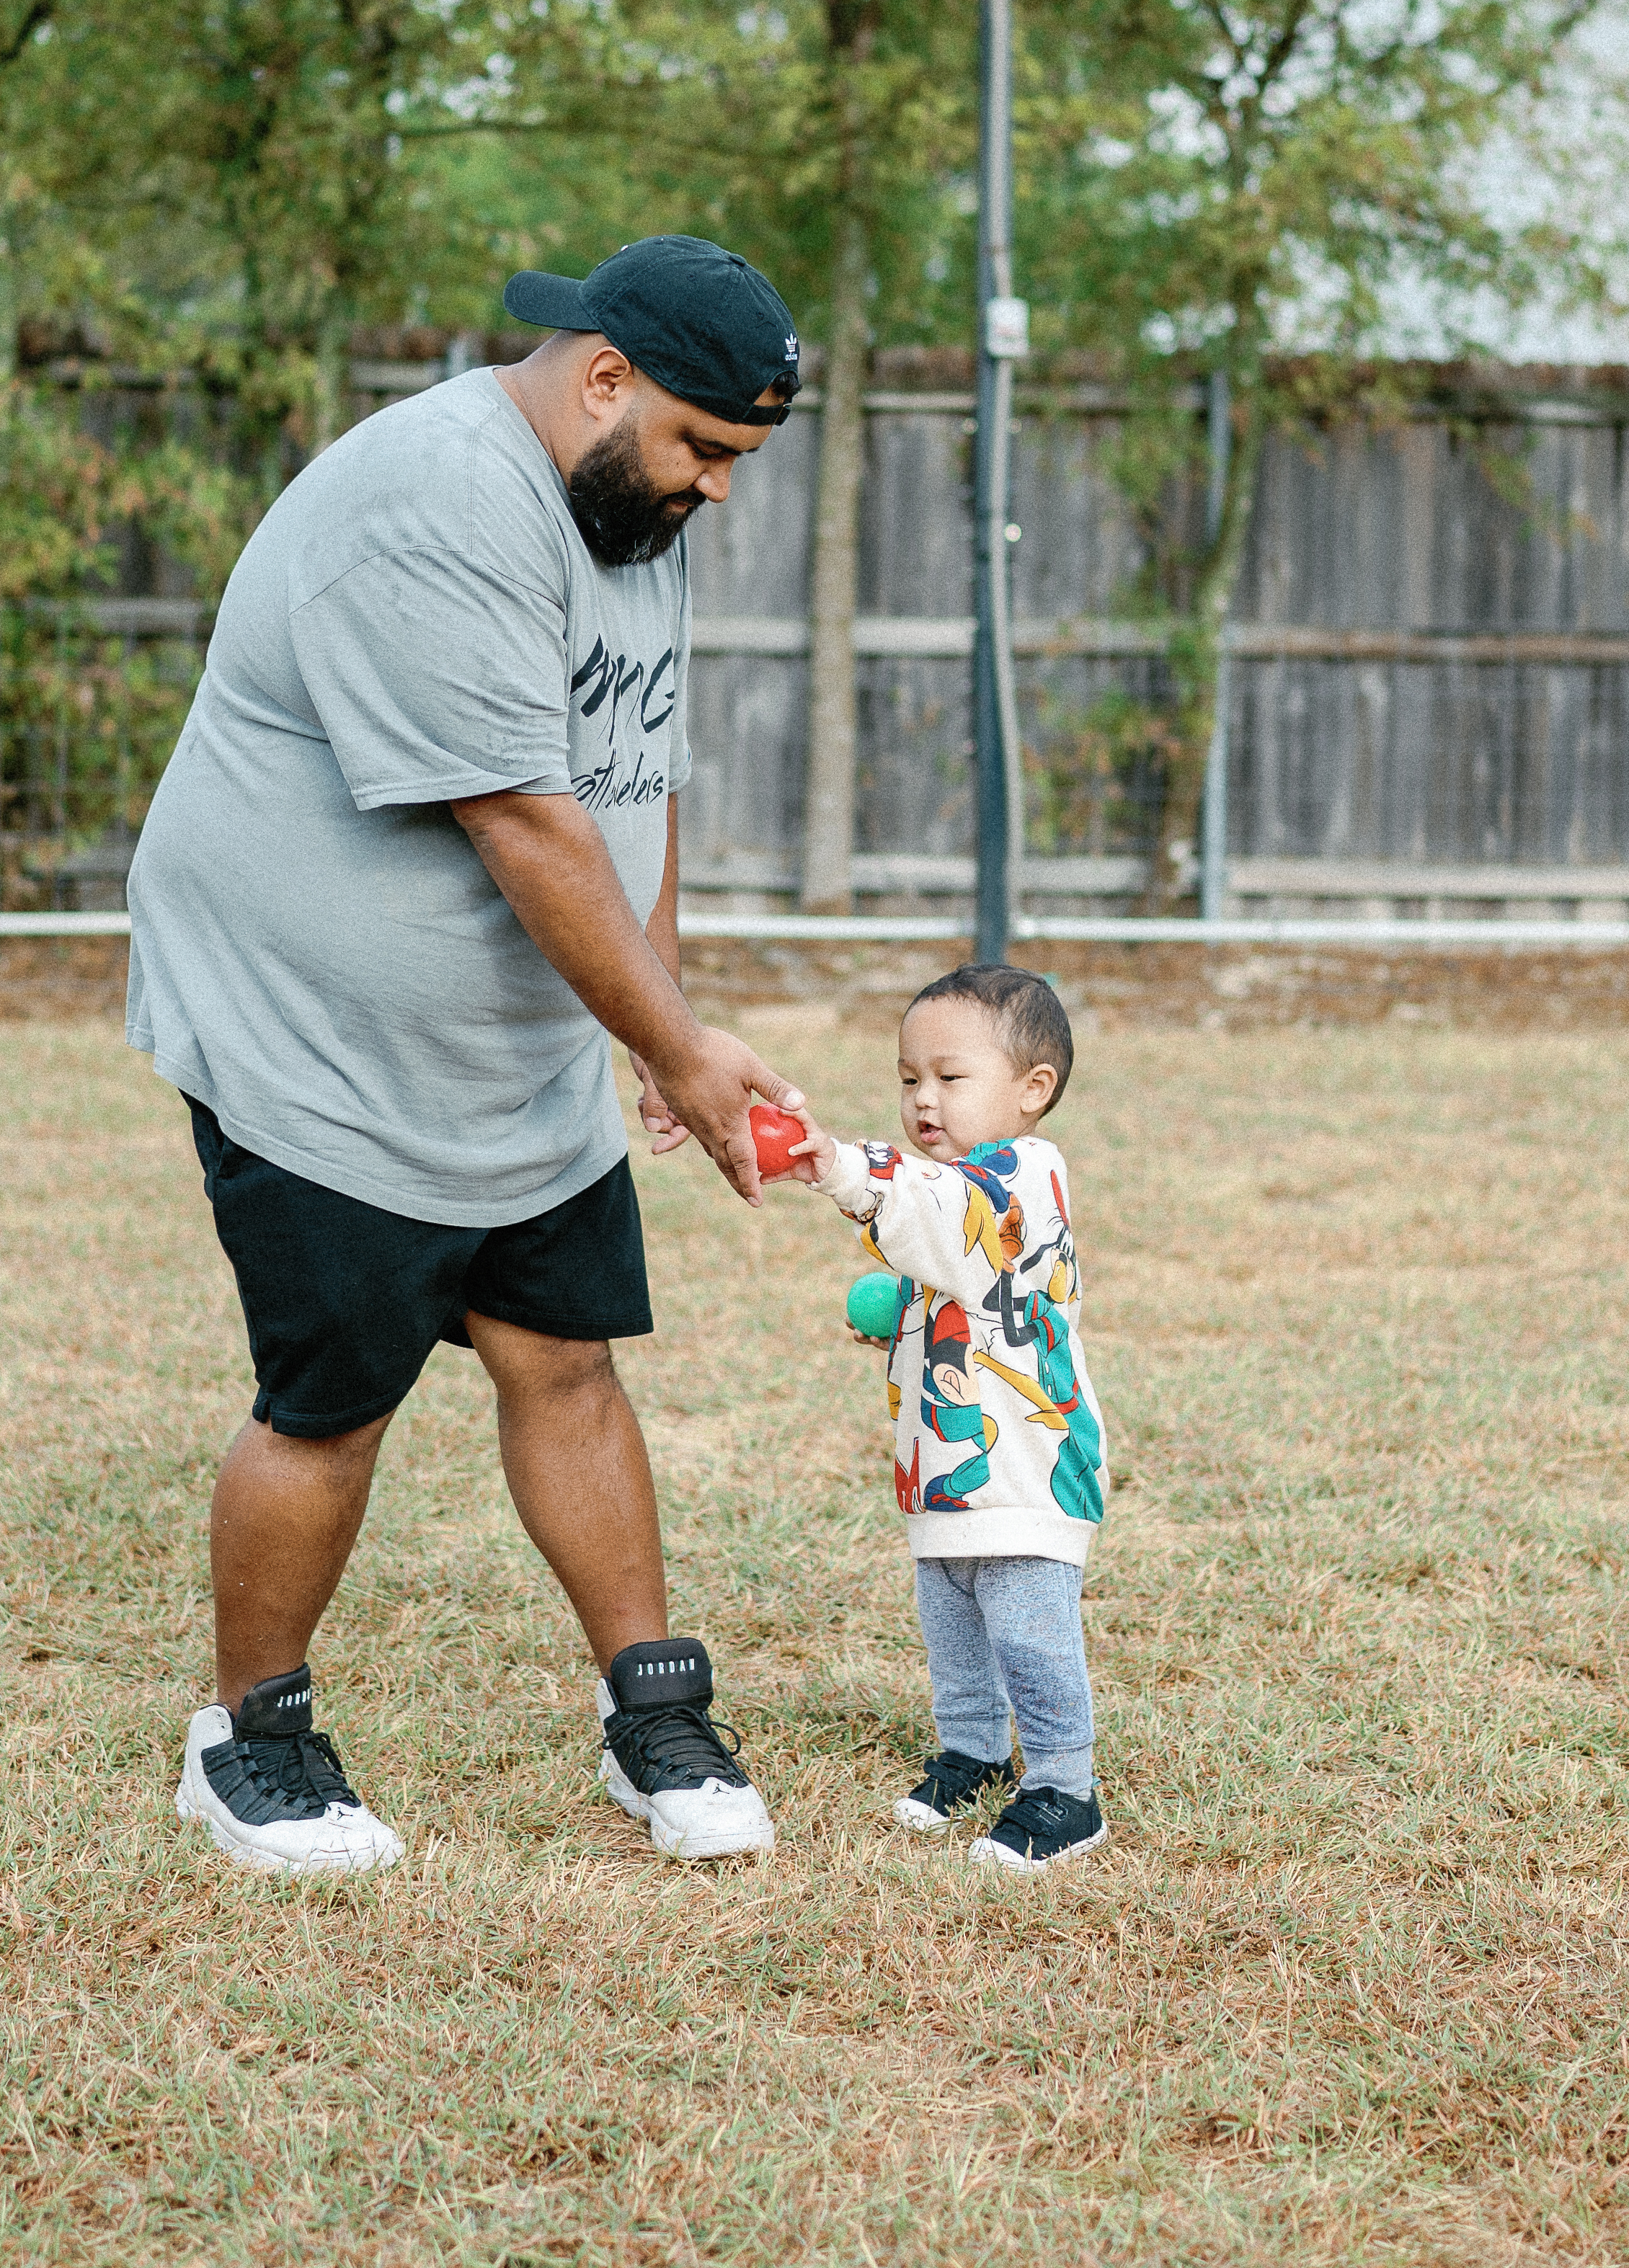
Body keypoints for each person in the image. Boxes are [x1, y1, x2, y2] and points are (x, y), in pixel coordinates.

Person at [125, 235, 809, 1875]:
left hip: (510, 1049)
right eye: (704, 446)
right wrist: (680, 1049)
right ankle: (249, 1739)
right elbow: (521, 820)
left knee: (566, 1361)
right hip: (322, 1047)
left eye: (738, 456)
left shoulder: (629, 509)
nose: (719, 487)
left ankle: (651, 1712)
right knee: (331, 1403)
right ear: (603, 378)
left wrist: (655, 1015)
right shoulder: (436, 503)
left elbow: (630, 773)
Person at [769, 964, 1111, 1869]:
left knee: (1030, 1636)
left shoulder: (1021, 1176)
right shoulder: (960, 1183)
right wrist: (898, 1318)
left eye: (950, 1077)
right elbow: (955, 1278)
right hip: (947, 1470)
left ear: (1034, 1088)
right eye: (909, 1077)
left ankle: (1066, 1789)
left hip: (1030, 1466)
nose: (924, 1098)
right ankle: (974, 1752)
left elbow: (942, 1212)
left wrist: (842, 1166)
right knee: (954, 1627)